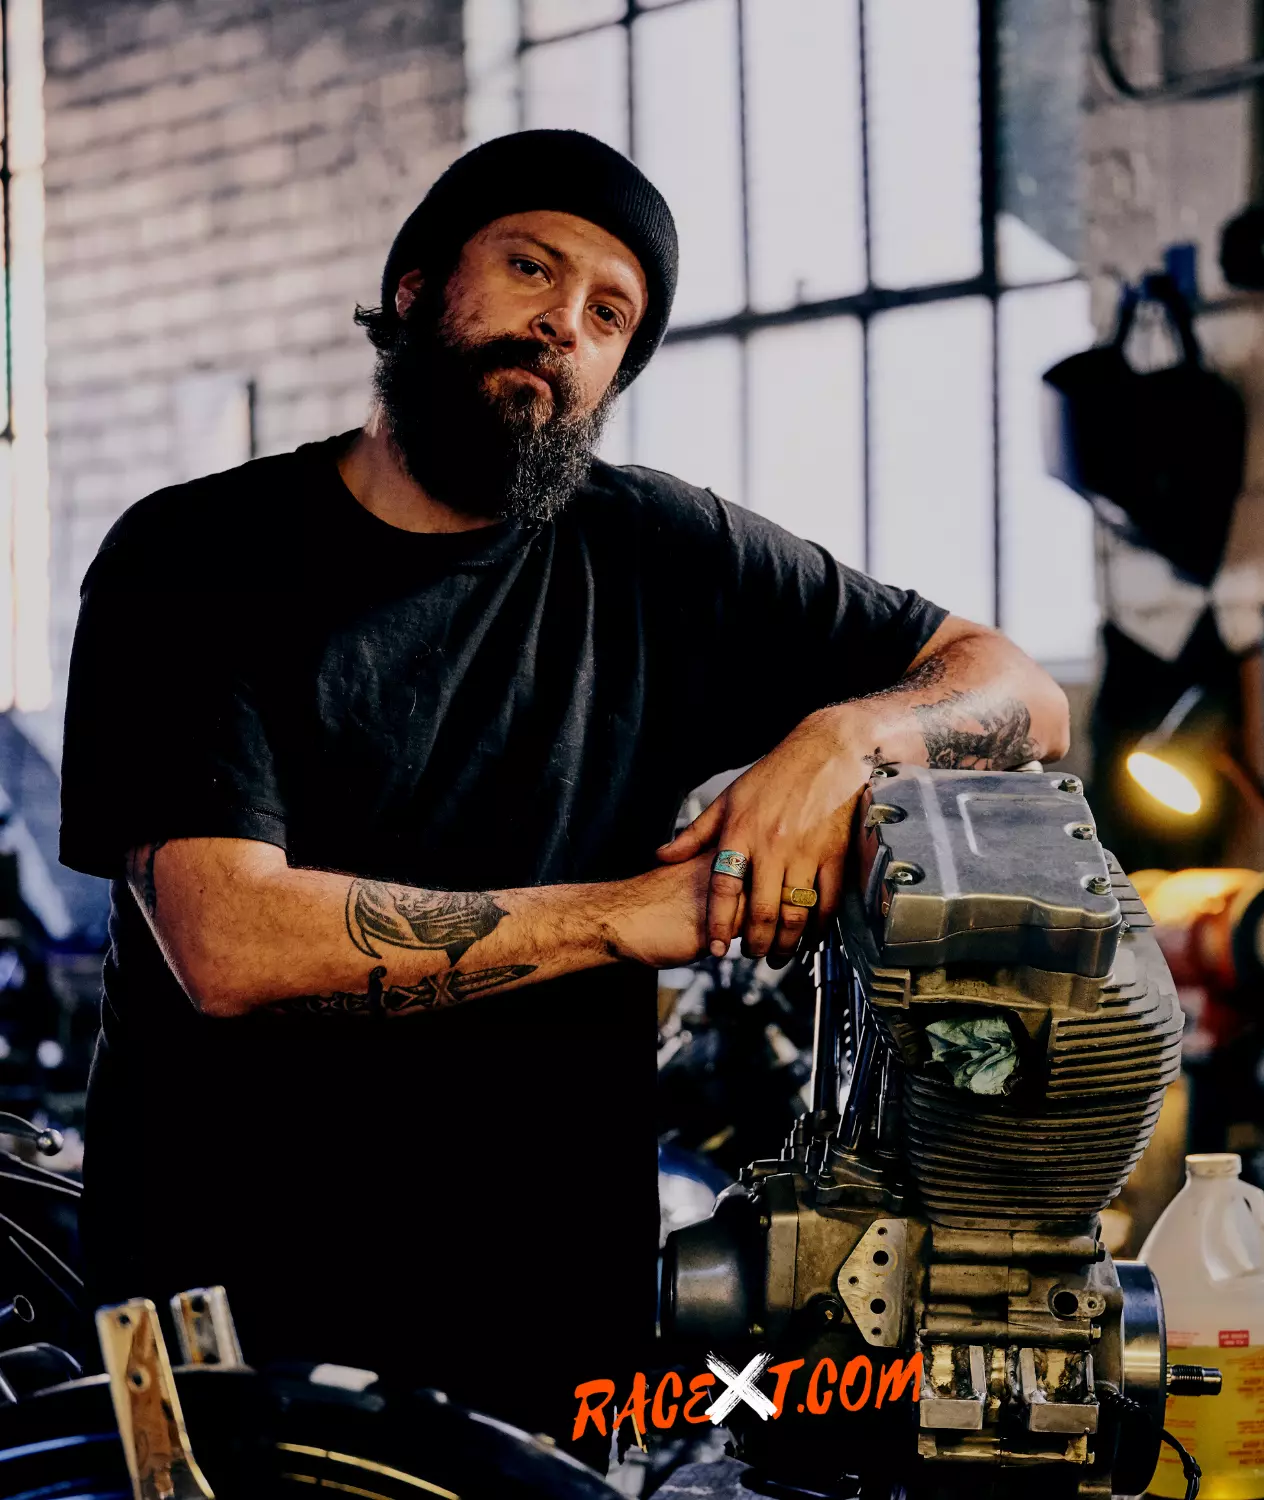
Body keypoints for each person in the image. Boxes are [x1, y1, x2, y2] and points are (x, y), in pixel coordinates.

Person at [59, 130, 1068, 1446]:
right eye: (530, 268)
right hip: (228, 1309)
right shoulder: (195, 555)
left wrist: (841, 744)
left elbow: (1017, 691)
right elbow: (228, 940)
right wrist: (633, 915)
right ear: (417, 287)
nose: (562, 325)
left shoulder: (658, 551)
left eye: (609, 315)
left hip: (545, 1309)